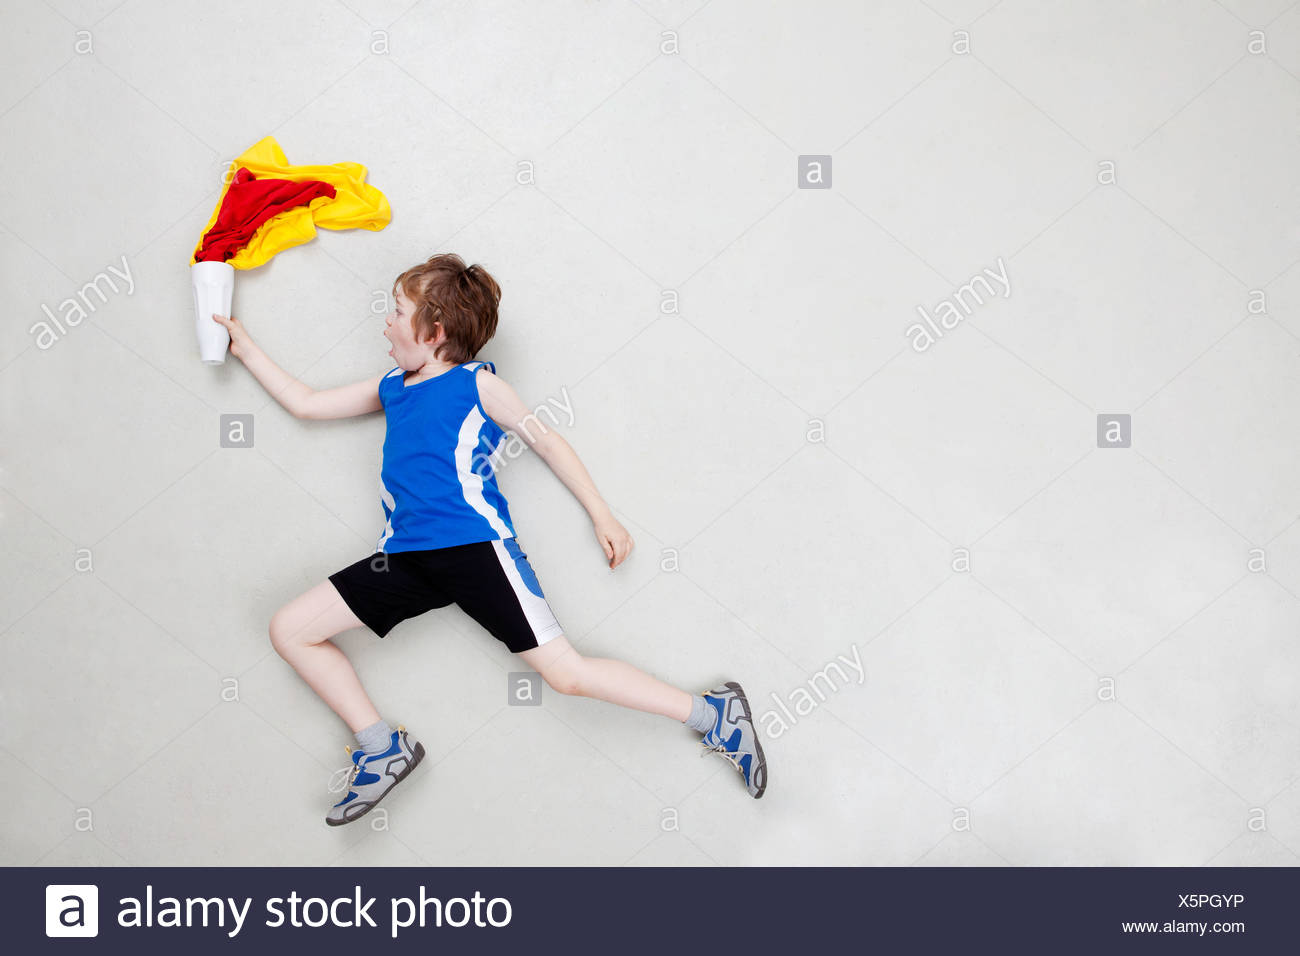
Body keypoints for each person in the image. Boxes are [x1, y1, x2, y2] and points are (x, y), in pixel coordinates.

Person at [210, 252, 767, 826]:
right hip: (403, 559)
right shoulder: (392, 387)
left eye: (395, 313)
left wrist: (603, 514)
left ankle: (712, 714)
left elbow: (546, 442)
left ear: (434, 331)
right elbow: (306, 403)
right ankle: (381, 749)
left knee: (566, 674)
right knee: (290, 630)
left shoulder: (476, 383)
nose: (385, 323)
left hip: (477, 552)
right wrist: (243, 345)